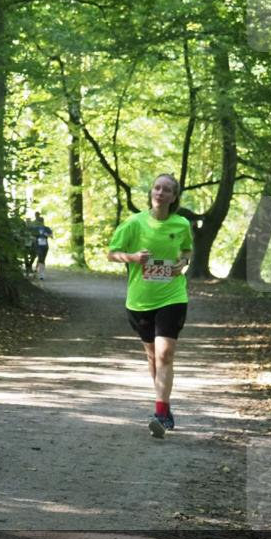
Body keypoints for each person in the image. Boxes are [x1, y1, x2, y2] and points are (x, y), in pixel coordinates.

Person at [107, 173, 193, 438]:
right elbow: (112, 253)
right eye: (157, 187)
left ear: (174, 196)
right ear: (151, 192)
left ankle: (159, 413)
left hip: (172, 296)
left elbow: (187, 252)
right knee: (153, 356)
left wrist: (183, 263)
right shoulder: (134, 223)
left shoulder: (181, 224)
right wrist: (132, 257)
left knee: (165, 354)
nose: (160, 192)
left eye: (167, 190)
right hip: (141, 300)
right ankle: (164, 406)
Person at [32, 212, 53, 280]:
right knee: (40, 258)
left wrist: (47, 235)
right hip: (38, 246)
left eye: (42, 221)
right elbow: (31, 236)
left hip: (45, 246)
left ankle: (38, 271)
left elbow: (51, 236)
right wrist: (34, 238)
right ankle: (41, 274)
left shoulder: (46, 228)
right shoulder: (35, 229)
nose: (41, 222)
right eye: (39, 221)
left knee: (42, 259)